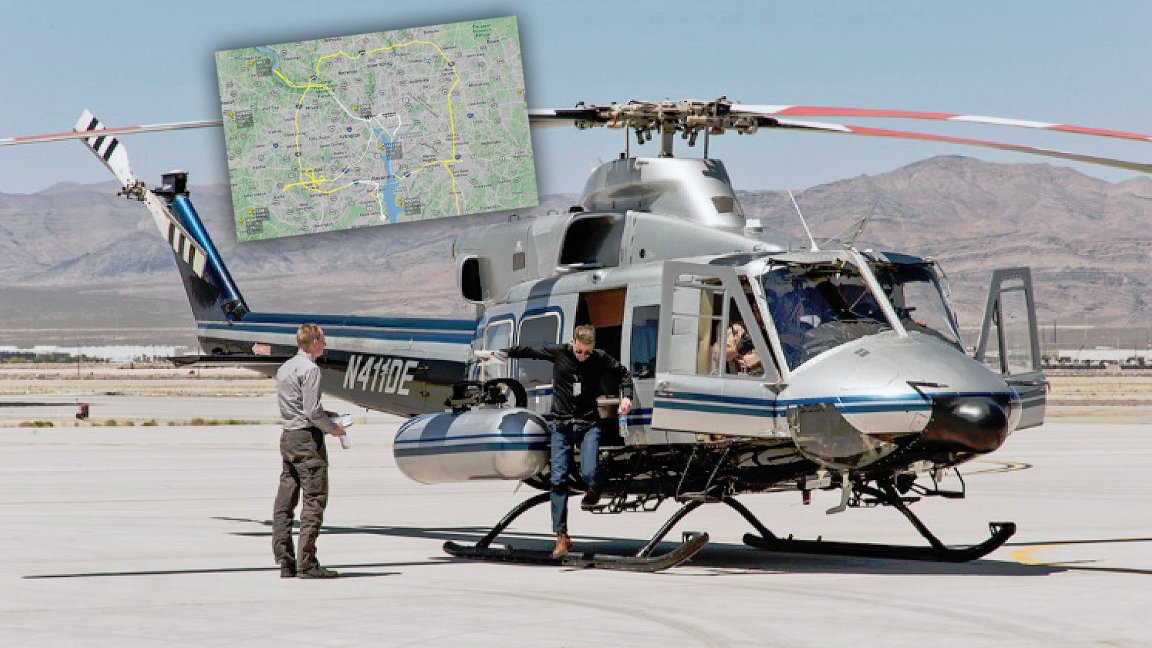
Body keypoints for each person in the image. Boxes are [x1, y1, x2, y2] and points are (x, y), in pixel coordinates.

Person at [479, 324, 633, 558]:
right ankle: (562, 536)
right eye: (579, 351)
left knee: (590, 472)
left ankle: (594, 488)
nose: (583, 357)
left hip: (588, 424)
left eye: (588, 352)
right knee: (558, 479)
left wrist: (626, 397)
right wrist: (500, 353)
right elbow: (529, 351)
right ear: (573, 343)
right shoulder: (559, 353)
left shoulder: (599, 358)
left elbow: (623, 373)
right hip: (561, 426)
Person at [272, 323, 346, 579]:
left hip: (288, 437)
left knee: (285, 502)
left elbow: (300, 406)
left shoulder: (285, 368)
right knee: (314, 500)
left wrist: (327, 414)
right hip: (306, 440)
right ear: (314, 342)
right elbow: (312, 412)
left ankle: (285, 560)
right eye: (322, 340)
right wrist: (333, 428)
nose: (324, 345)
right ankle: (307, 562)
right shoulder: (310, 369)